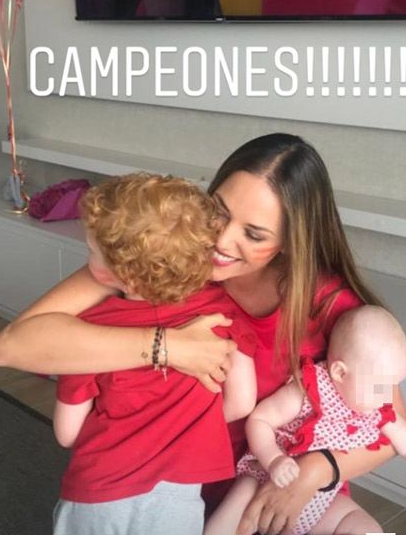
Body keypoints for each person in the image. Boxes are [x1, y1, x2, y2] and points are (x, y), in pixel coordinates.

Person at [0, 133, 406, 535]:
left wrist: (313, 473)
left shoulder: (331, 306)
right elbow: (13, 347)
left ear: (289, 242)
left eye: (254, 234)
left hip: (287, 491)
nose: (221, 241)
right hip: (172, 492)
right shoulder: (160, 258)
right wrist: (168, 347)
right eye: (219, 212)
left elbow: (392, 430)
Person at [53, 173, 257, 535]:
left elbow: (67, 433)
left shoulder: (87, 330)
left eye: (92, 253)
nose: (88, 261)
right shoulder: (222, 316)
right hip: (178, 499)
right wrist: (187, 423)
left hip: (97, 493)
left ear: (126, 277)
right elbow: (241, 402)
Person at [205, 306, 406, 535]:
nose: (388, 396)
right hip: (264, 480)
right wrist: (274, 459)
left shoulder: (377, 406)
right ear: (340, 372)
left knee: (368, 528)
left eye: (394, 385)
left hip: (321, 500)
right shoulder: (310, 391)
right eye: (381, 387)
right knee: (234, 511)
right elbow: (260, 419)